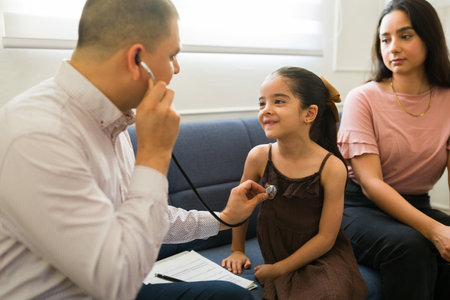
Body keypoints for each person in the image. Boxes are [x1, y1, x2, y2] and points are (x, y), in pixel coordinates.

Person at [0, 0, 269, 299]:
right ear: (136, 59)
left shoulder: (112, 119)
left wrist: (224, 218)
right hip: (93, 288)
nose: (176, 69)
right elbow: (118, 283)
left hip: (113, 279)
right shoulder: (39, 134)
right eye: (172, 56)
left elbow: (147, 216)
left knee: (232, 296)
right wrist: (154, 155)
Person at [221, 66, 367, 299]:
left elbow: (326, 238)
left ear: (309, 114)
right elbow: (239, 208)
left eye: (278, 101)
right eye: (262, 103)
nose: (265, 110)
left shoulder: (332, 167)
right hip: (277, 252)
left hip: (322, 256)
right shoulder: (258, 156)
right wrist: (237, 250)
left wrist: (279, 269)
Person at [337, 0, 450, 299]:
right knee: (410, 244)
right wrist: (435, 230)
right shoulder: (362, 98)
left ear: (430, 38)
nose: (393, 47)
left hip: (416, 205)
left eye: (406, 35)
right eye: (385, 39)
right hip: (358, 208)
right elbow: (372, 184)